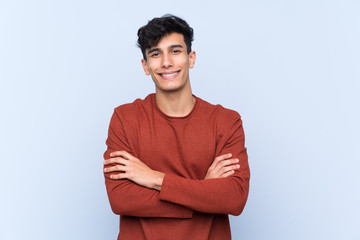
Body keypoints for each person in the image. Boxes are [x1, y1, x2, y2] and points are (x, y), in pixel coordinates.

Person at [103, 14, 250, 240]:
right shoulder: (125, 119)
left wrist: (154, 178)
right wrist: (203, 192)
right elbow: (121, 199)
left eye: (175, 51)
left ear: (191, 58)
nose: (166, 62)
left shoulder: (226, 121)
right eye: (155, 54)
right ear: (145, 66)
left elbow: (234, 198)